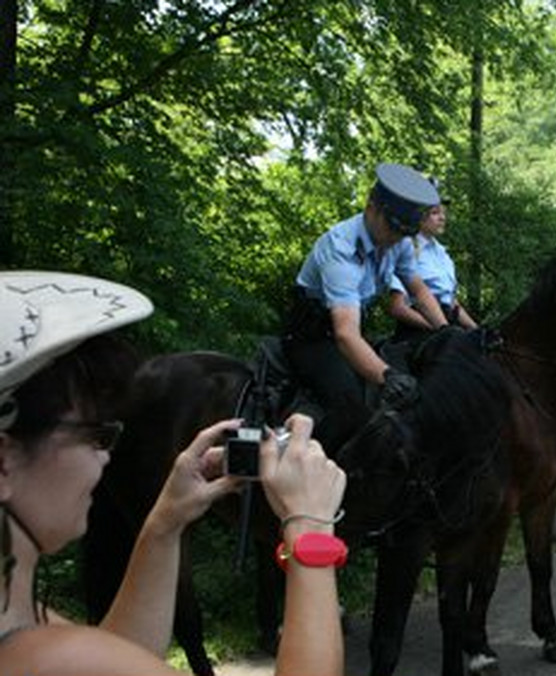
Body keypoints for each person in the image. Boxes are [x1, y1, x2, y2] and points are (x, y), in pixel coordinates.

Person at [0, 271, 347, 675]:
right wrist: (310, 530)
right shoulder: (46, 654)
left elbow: (118, 659)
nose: (105, 458)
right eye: (95, 435)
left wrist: (165, 523)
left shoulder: (26, 624)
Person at [283, 162, 441, 450]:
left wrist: (445, 330)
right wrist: (388, 377)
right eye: (392, 227)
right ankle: (309, 470)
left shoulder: (398, 239)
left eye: (403, 232)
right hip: (313, 338)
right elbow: (345, 334)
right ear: (372, 207)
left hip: (352, 331)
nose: (396, 238)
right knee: (350, 410)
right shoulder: (341, 249)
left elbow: (418, 289)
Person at [390, 190, 478, 332]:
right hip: (417, 333)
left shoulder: (443, 254)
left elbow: (450, 302)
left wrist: (476, 330)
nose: (442, 218)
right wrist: (440, 329)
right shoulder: (407, 250)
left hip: (449, 329)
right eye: (435, 213)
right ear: (419, 216)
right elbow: (398, 308)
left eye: (443, 213)